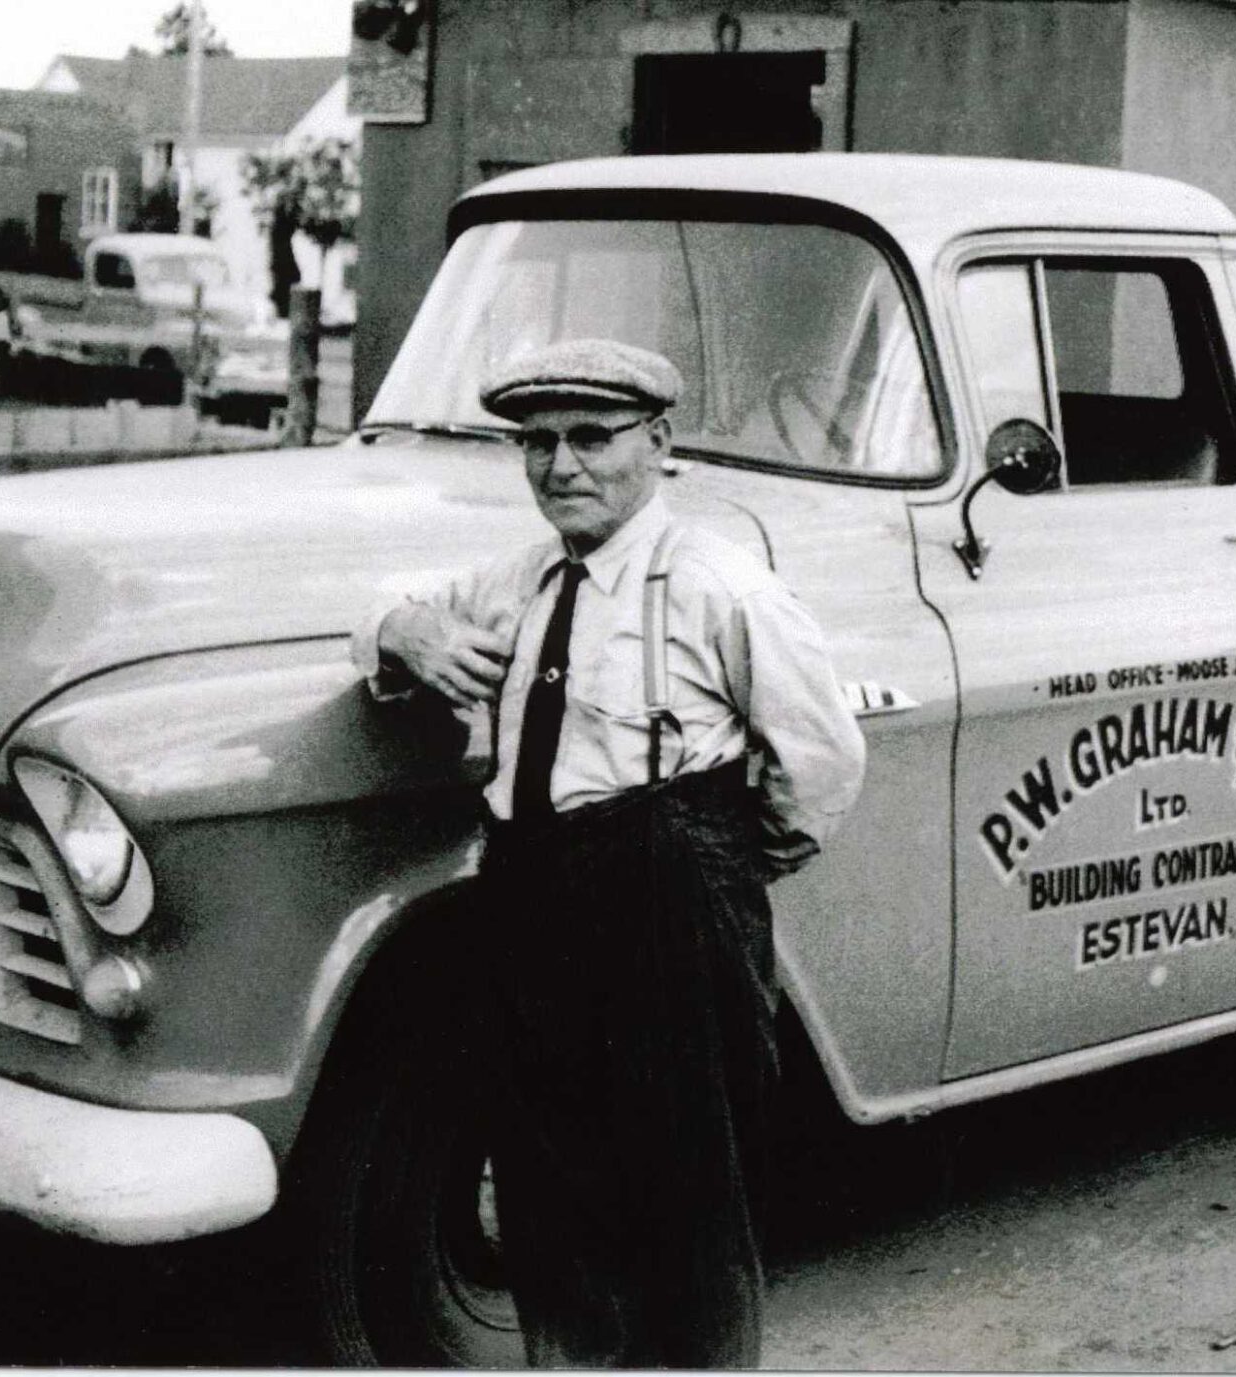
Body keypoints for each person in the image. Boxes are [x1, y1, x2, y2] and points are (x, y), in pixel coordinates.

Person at [351, 337, 867, 1367]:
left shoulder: (721, 584)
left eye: (593, 438)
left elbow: (821, 760)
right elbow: (388, 609)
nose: (562, 467)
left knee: (686, 1204)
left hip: (666, 902)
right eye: (536, 444)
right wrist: (407, 629)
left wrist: (713, 872)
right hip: (532, 899)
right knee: (546, 1191)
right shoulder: (527, 574)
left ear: (659, 445)